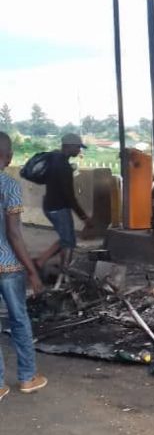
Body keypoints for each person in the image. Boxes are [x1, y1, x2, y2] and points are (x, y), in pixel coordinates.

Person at [0, 132, 47, 401]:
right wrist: (31, 270)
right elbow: (14, 233)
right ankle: (28, 377)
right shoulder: (9, 185)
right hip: (8, 267)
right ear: (8, 157)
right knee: (19, 320)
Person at [34, 133, 92, 274]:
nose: (79, 150)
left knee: (66, 238)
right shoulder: (64, 166)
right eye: (77, 147)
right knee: (69, 242)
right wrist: (84, 217)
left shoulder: (54, 159)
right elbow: (69, 196)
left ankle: (41, 261)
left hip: (49, 204)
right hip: (58, 207)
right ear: (69, 146)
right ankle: (65, 272)